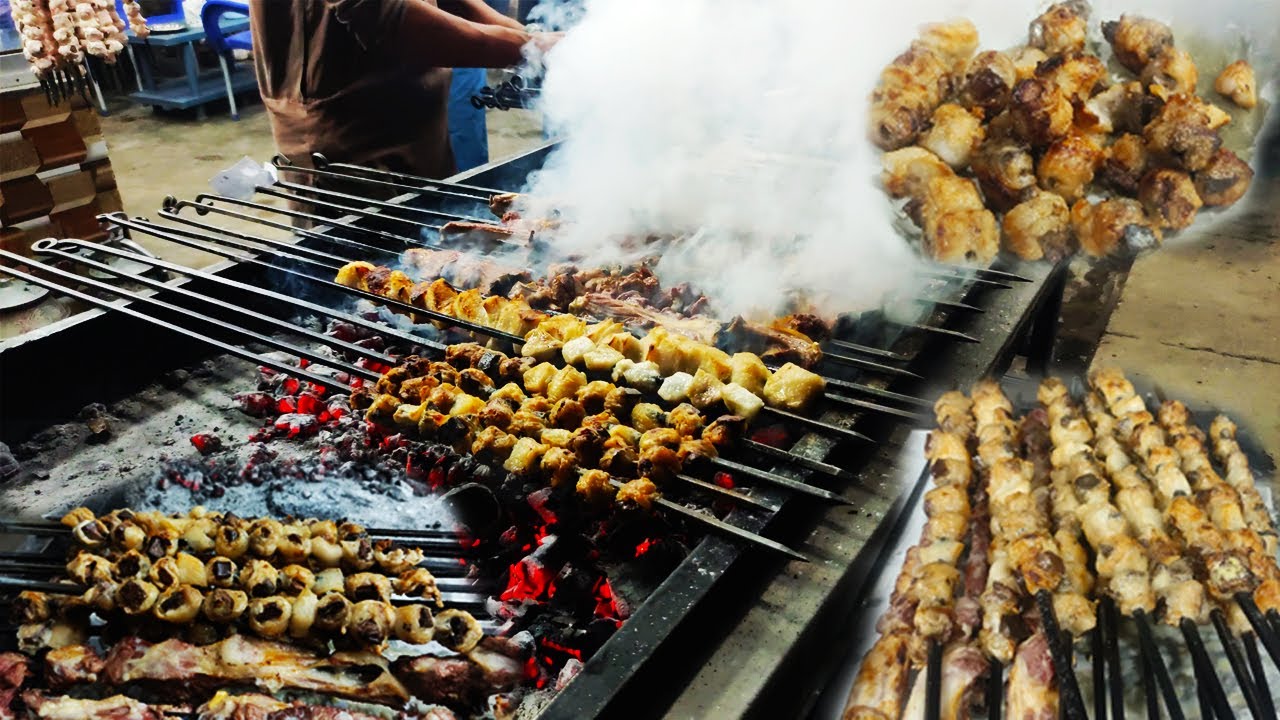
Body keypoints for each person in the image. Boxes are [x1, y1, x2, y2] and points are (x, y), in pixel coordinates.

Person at [248, 0, 557, 180]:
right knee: (361, 278)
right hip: (350, 152)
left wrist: (530, 38)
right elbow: (400, 22)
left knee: (434, 269)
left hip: (419, 134)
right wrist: (537, 47)